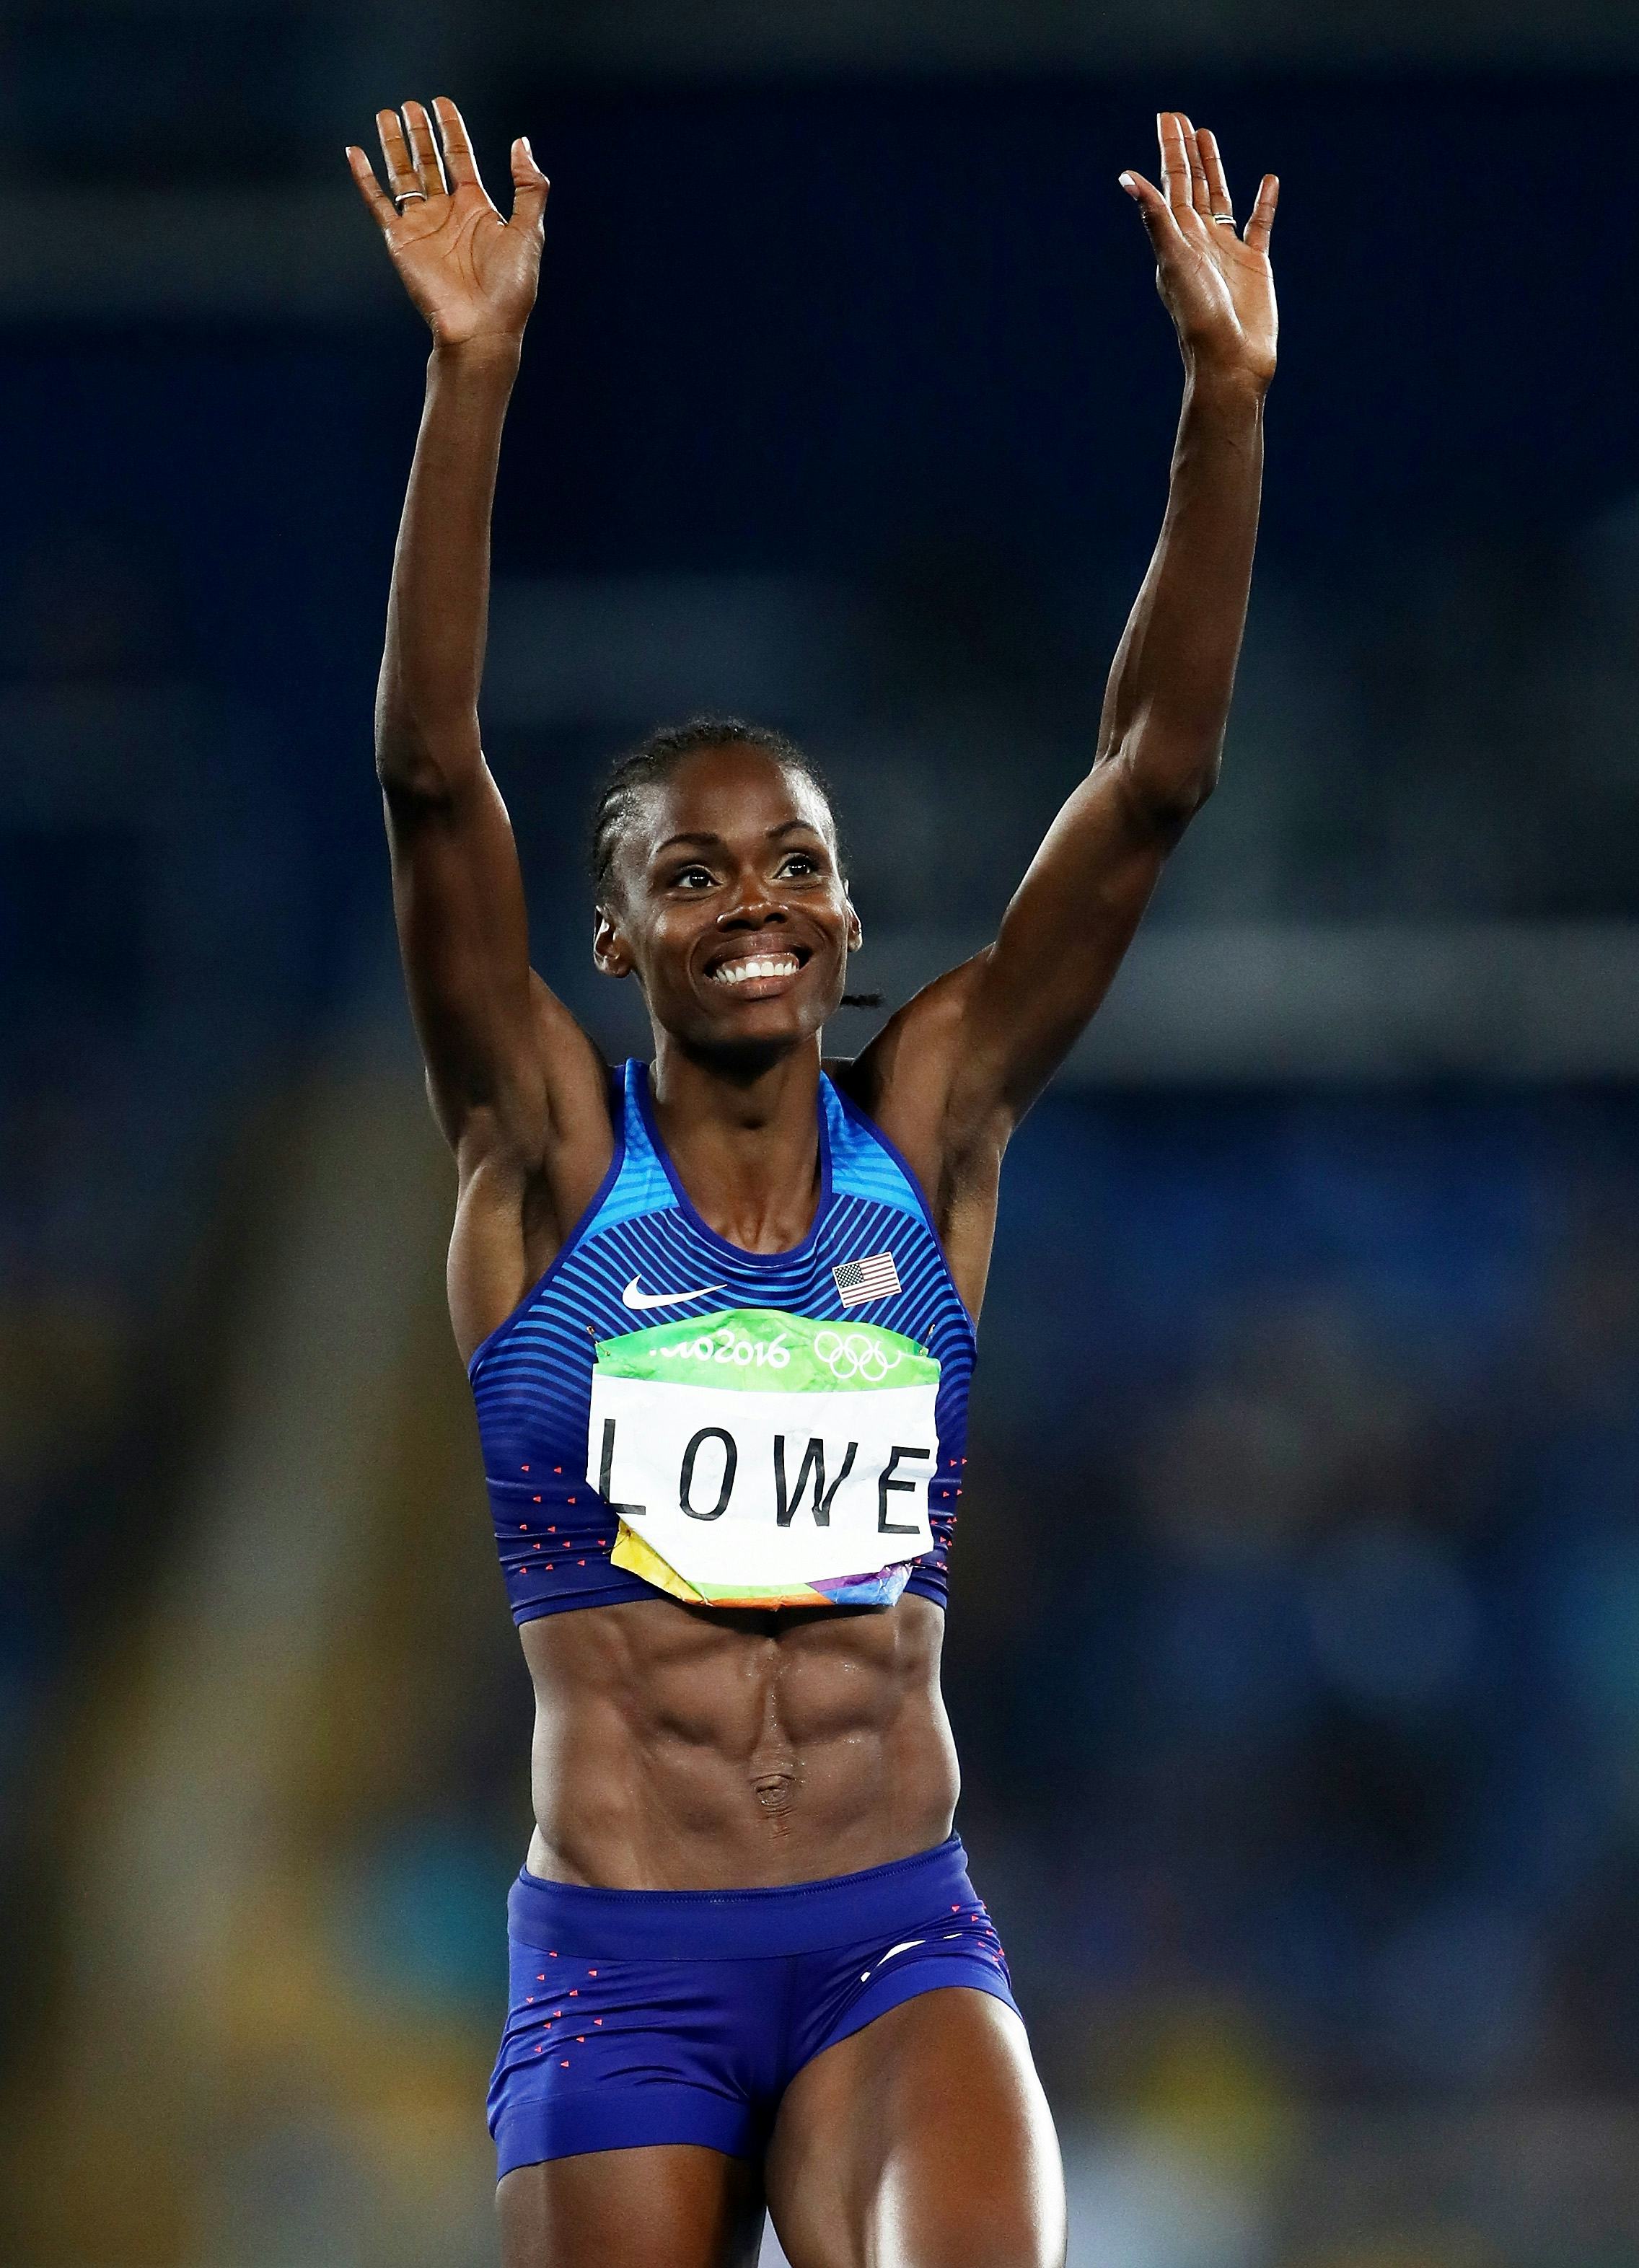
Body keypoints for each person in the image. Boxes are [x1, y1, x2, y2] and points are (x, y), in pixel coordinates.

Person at [345, 96, 1278, 2268]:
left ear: (852, 921)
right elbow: (425, 775)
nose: (755, 904)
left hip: (895, 1944)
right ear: (620, 937)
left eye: (799, 867)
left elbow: (1152, 779)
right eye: (697, 873)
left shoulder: (930, 1130)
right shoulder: (542, 1153)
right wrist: (471, 380)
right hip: (625, 1969)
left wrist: (1223, 408)